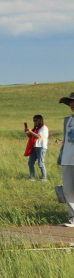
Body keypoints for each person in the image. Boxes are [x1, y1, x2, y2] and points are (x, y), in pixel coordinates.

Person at [56, 95, 74, 226]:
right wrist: (61, 156)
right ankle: (73, 217)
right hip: (67, 159)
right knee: (67, 189)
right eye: (70, 103)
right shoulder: (68, 120)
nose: (72, 105)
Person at [25, 115, 49, 182]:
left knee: (41, 163)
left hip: (41, 147)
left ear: (40, 120)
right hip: (34, 147)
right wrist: (28, 132)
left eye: (36, 120)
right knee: (30, 163)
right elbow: (30, 136)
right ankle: (32, 178)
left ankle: (44, 178)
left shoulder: (43, 128)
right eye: (34, 120)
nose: (35, 122)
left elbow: (38, 136)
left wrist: (31, 131)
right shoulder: (35, 128)